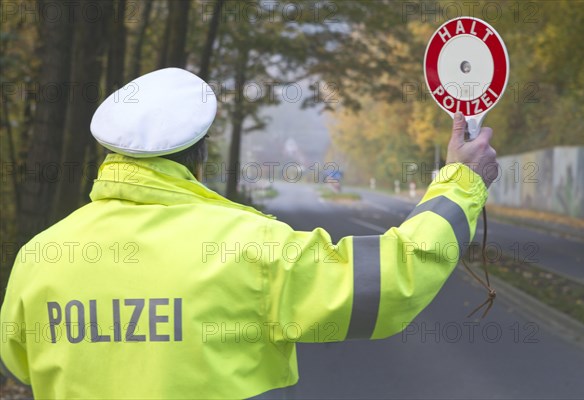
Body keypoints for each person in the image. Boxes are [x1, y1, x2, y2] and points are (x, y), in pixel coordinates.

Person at [0, 68, 498, 399]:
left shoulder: (38, 257)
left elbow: (20, 365)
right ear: (200, 153)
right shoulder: (249, 247)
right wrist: (462, 182)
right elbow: (391, 280)